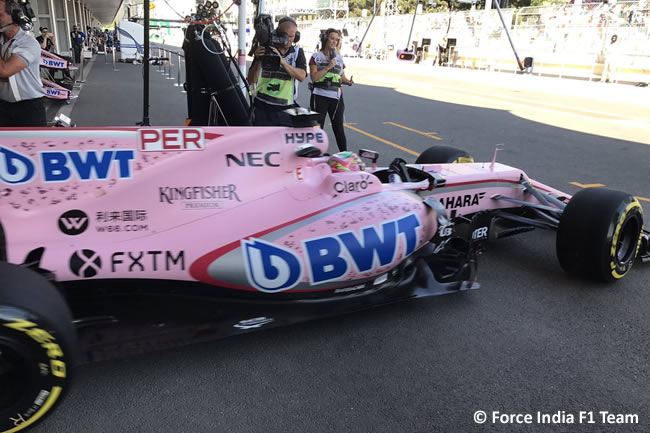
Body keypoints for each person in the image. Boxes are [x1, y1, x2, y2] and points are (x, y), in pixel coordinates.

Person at [247, 16, 307, 126]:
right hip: (262, 107)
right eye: (286, 36)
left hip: (285, 109)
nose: (289, 40)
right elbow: (251, 80)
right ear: (278, 34)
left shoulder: (297, 52)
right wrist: (258, 61)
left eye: (292, 36)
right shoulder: (265, 49)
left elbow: (302, 76)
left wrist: (282, 62)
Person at [0, 0, 46, 126]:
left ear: (15, 16)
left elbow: (5, 71)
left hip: (29, 108)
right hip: (3, 106)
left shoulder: (28, 43)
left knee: (33, 145)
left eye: (0, 14)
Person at [309, 28, 354, 152]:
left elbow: (341, 76)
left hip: (336, 97)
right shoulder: (316, 57)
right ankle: (315, 154)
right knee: (318, 128)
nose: (334, 41)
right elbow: (314, 78)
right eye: (332, 38)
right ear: (325, 39)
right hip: (319, 96)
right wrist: (328, 66)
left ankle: (345, 156)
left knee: (338, 128)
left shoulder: (339, 58)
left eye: (337, 39)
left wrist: (348, 82)